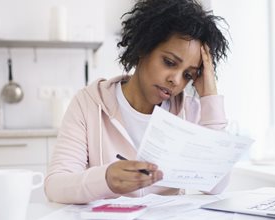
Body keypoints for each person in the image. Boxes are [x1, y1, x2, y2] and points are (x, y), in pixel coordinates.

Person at [45, 0, 229, 204]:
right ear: (144, 48)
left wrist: (210, 97)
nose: (176, 80)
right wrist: (105, 179)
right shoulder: (88, 103)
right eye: (169, 62)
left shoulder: (191, 111)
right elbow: (55, 186)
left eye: (188, 74)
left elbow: (216, 185)